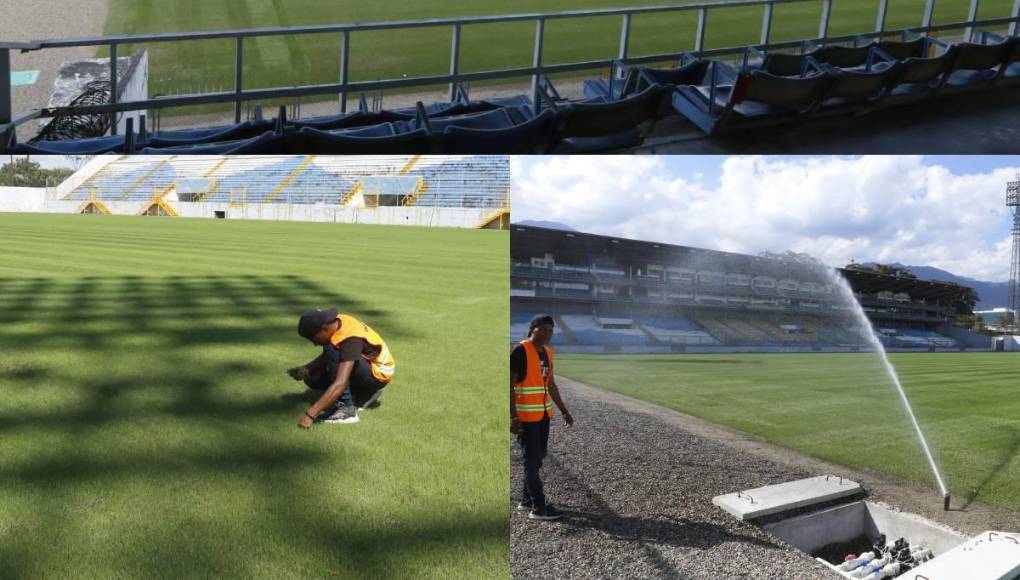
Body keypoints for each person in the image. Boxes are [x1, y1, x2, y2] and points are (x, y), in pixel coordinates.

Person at [510, 313, 574, 521]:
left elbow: (550, 385)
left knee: (538, 458)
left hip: (543, 415)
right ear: (532, 329)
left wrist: (564, 410)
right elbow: (508, 386)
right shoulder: (520, 351)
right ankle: (538, 507)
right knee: (531, 460)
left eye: (550, 330)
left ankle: (526, 499)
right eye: (543, 329)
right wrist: (512, 417)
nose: (547, 334)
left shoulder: (547, 352)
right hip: (526, 417)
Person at [288, 307, 395, 429]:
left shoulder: (350, 339)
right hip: (366, 366)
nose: (315, 344)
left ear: (324, 329)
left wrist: (310, 415)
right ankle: (364, 393)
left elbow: (340, 382)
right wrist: (306, 369)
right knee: (312, 377)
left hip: (378, 375)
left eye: (314, 339)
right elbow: (327, 357)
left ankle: (346, 410)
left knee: (333, 350)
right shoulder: (336, 323)